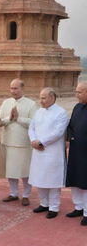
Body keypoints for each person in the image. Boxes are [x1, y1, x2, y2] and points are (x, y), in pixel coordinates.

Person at [28, 87, 68, 219]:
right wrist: (34, 140)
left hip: (52, 152)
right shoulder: (39, 111)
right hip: (38, 151)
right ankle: (44, 203)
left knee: (53, 181)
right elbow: (31, 127)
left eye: (44, 98)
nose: (41, 100)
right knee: (40, 179)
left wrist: (41, 142)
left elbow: (58, 132)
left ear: (52, 98)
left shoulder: (61, 113)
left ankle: (54, 207)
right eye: (40, 97)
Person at [0, 79, 37, 206]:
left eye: (16, 88)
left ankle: (26, 195)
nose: (13, 91)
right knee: (11, 170)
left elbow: (34, 123)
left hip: (24, 143)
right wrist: (10, 118)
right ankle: (13, 193)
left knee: (25, 171)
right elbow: (0, 121)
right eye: (11, 88)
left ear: (22, 88)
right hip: (9, 142)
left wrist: (18, 118)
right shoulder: (6, 103)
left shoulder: (31, 104)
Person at [66, 81, 87, 226]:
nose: (76, 95)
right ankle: (78, 207)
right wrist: (69, 138)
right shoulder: (77, 107)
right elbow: (70, 126)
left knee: (85, 182)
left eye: (79, 92)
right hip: (75, 150)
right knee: (75, 179)